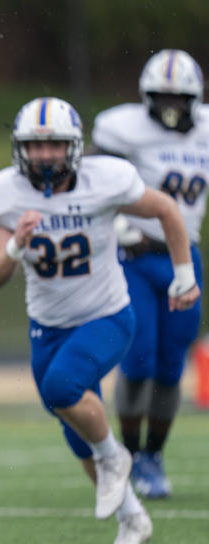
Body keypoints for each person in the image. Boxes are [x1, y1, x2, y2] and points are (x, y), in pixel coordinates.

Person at [0, 97, 200, 544]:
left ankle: (118, 457)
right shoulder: (3, 193)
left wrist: (184, 275)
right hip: (48, 325)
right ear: (19, 149)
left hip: (107, 315)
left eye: (54, 145)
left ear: (74, 146)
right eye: (34, 147)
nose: (43, 156)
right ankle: (132, 517)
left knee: (63, 387)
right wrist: (17, 245)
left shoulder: (106, 180)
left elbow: (167, 211)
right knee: (72, 427)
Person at [91, 49, 208, 499]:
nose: (172, 106)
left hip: (183, 255)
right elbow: (93, 181)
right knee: (137, 357)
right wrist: (120, 228)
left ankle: (152, 457)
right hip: (133, 255)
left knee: (169, 365)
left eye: (180, 98)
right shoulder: (124, 128)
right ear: (146, 97)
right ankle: (131, 452)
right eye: (163, 97)